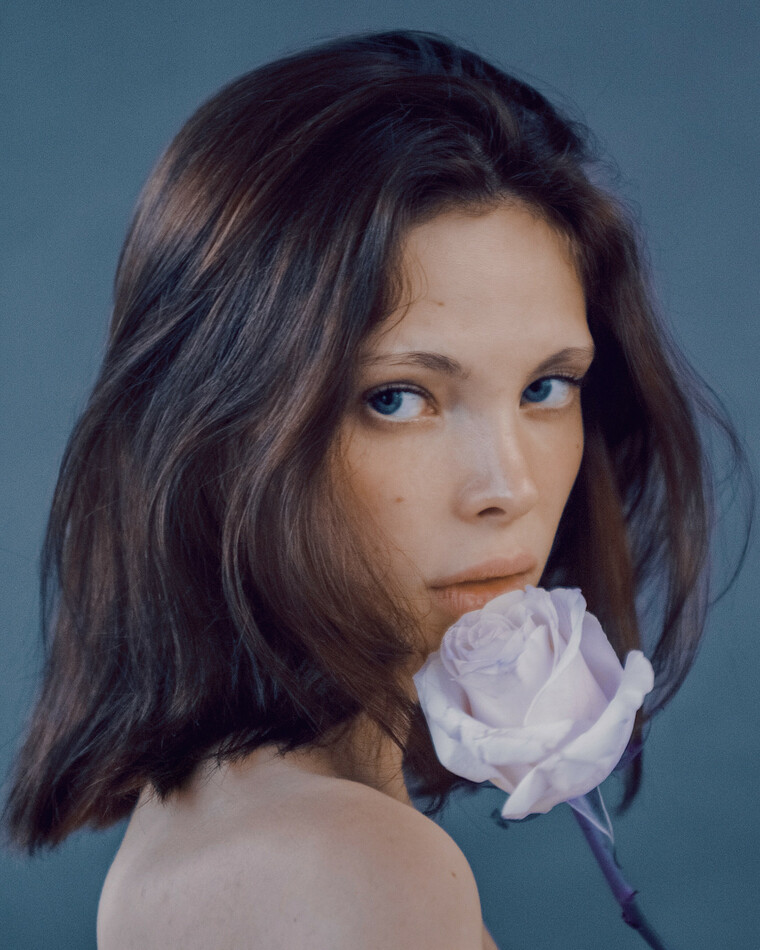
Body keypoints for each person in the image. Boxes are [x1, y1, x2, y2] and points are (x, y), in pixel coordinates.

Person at [3, 30, 749, 949]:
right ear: (221, 430)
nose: (509, 487)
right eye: (398, 398)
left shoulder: (213, 824)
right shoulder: (351, 868)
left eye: (546, 387)